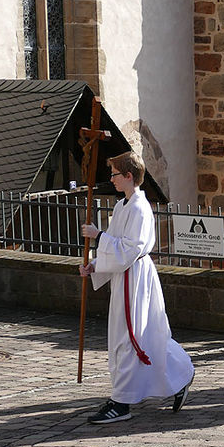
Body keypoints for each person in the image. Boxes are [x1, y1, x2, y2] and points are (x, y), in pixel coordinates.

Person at [79, 151, 194, 424]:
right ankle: (180, 375)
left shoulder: (140, 209)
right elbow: (118, 244)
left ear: (129, 176)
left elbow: (131, 249)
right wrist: (95, 265)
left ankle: (122, 401)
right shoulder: (123, 206)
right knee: (145, 335)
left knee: (130, 337)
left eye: (115, 174)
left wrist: (99, 236)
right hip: (124, 275)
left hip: (135, 276)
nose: (112, 179)